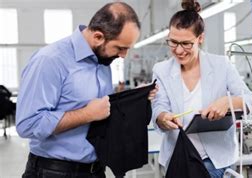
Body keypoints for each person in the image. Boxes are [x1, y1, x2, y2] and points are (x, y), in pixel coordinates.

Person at [15, 2, 157, 178]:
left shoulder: (103, 61)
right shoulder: (50, 60)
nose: (123, 55)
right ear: (98, 37)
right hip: (54, 172)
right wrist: (86, 114)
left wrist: (136, 97)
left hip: (95, 170)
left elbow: (102, 110)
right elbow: (27, 124)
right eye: (121, 48)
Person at [151, 1, 252, 177]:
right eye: (173, 42)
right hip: (177, 156)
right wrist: (163, 117)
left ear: (200, 38)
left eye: (186, 44)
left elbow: (251, 101)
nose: (179, 50)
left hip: (215, 159)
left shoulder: (221, 65)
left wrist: (228, 101)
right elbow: (159, 106)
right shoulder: (161, 70)